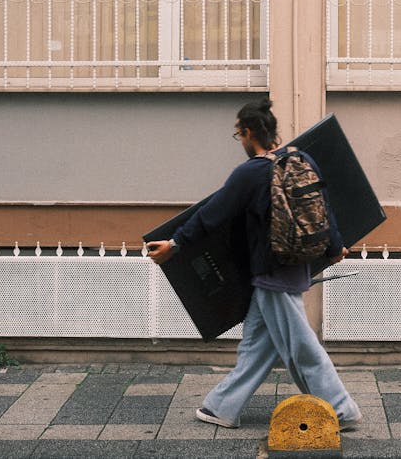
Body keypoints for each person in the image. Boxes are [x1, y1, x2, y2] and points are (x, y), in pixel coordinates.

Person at [147, 98, 363, 431]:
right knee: (256, 346)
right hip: (289, 269)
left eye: (239, 134)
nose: (240, 141)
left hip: (273, 273)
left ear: (249, 132)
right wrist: (334, 247)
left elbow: (211, 215)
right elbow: (324, 207)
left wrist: (175, 244)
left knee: (301, 347)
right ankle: (222, 407)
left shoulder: (251, 172)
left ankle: (341, 410)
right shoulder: (301, 159)